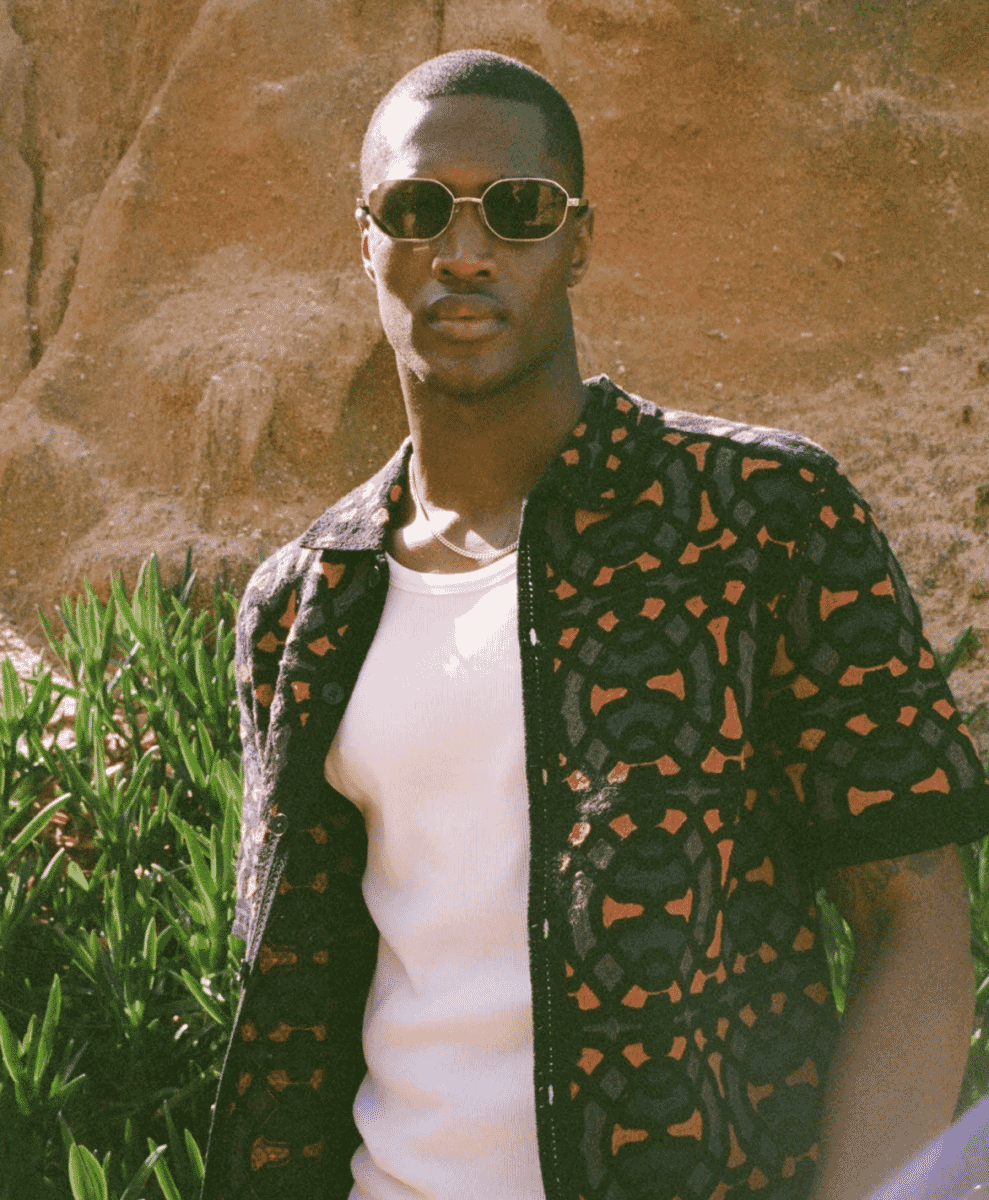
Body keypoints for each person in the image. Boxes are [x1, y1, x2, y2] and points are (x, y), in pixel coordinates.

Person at [199, 50, 989, 1200]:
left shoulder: (758, 518)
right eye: (417, 209)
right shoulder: (303, 605)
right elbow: (306, 1002)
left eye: (513, 211)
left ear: (577, 240)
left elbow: (915, 917)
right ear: (365, 241)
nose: (462, 252)